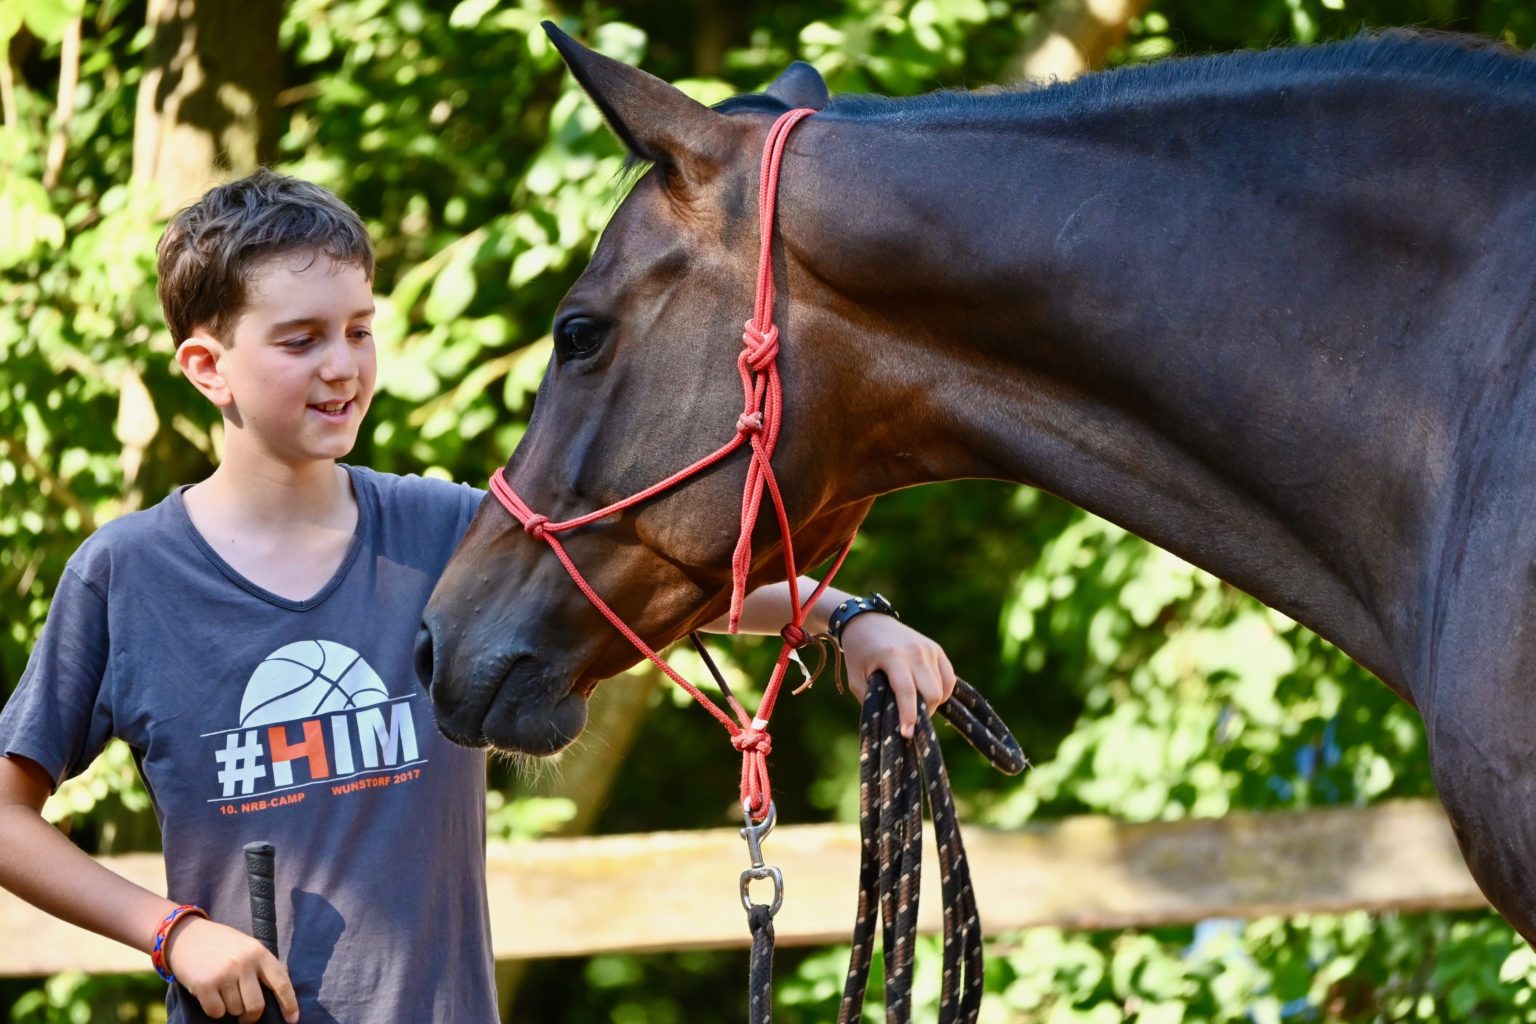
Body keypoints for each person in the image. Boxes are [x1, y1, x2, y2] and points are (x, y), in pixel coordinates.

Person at [0, 170, 958, 1023]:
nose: (342, 365)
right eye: (301, 340)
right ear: (207, 367)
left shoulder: (446, 528)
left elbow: (649, 574)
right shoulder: (125, 575)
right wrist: (170, 933)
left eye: (359, 330)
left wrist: (846, 617)